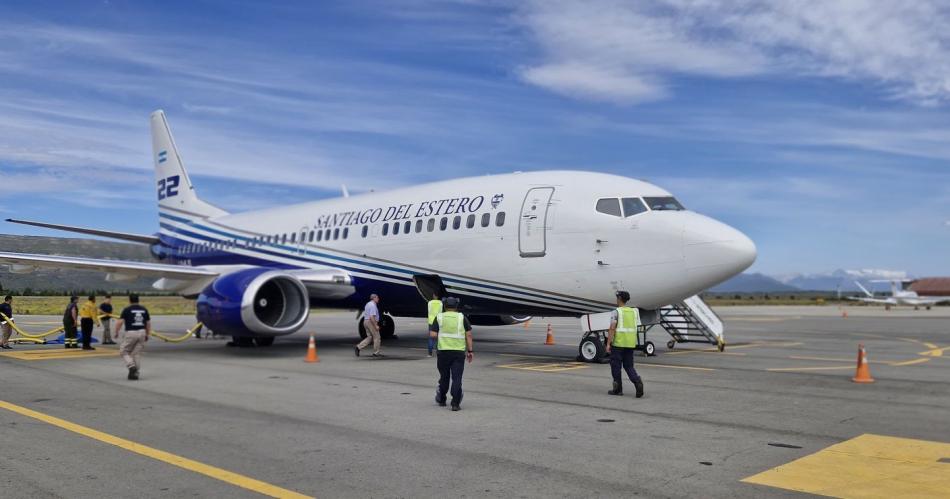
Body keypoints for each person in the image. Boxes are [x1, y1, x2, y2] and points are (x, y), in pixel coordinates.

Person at [429, 296, 473, 411]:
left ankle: (442, 399)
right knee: (457, 378)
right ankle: (455, 403)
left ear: (445, 306)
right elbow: (468, 335)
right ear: (456, 306)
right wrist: (470, 351)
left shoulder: (439, 317)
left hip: (443, 352)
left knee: (444, 377)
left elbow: (433, 335)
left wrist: (442, 337)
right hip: (458, 353)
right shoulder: (461, 317)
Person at [606, 291, 644, 398]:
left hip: (618, 344)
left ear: (619, 299)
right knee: (629, 366)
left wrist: (608, 343)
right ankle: (637, 382)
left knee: (616, 367)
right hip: (630, 344)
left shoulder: (616, 312)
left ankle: (618, 389)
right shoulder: (634, 312)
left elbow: (612, 328)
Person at [114, 294, 151, 380]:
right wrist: (147, 334)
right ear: (138, 300)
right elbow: (148, 323)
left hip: (131, 332)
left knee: (123, 351)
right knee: (136, 353)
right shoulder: (144, 309)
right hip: (142, 332)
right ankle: (135, 374)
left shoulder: (127, 309)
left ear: (129, 300)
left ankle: (131, 366)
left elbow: (120, 322)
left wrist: (116, 332)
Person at [355, 293, 382, 357]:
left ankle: (358, 347)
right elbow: (372, 317)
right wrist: (375, 325)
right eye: (377, 298)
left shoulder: (368, 304)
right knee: (377, 337)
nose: (378, 299)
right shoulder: (373, 305)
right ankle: (376, 353)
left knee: (370, 337)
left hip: (365, 321)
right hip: (371, 322)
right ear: (374, 298)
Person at [426, 292, 443, 357]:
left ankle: (429, 353)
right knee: (438, 337)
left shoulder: (430, 303)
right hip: (438, 321)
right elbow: (441, 312)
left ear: (433, 296)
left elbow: (429, 311)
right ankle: (438, 352)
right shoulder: (440, 303)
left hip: (431, 321)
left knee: (431, 338)